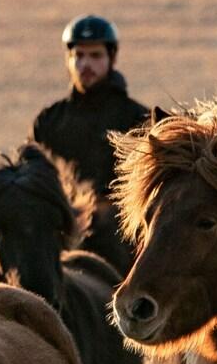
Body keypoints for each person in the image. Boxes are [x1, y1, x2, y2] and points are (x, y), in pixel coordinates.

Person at [31, 15, 148, 272]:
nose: (85, 64)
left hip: (122, 248)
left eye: (95, 56)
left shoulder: (139, 119)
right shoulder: (49, 121)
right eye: (78, 56)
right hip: (58, 242)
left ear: (112, 58)